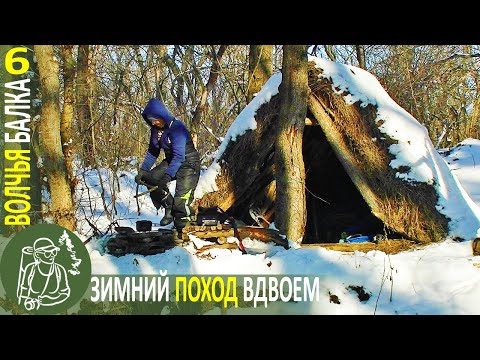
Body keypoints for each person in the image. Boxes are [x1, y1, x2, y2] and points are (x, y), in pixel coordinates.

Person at [135, 98, 200, 238]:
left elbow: (179, 157)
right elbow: (153, 151)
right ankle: (168, 207)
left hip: (189, 163)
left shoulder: (177, 128)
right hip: (172, 160)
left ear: (162, 115)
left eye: (155, 119)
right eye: (150, 120)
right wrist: (143, 171)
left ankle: (185, 230)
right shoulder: (155, 130)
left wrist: (167, 176)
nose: (153, 122)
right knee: (151, 179)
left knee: (181, 201)